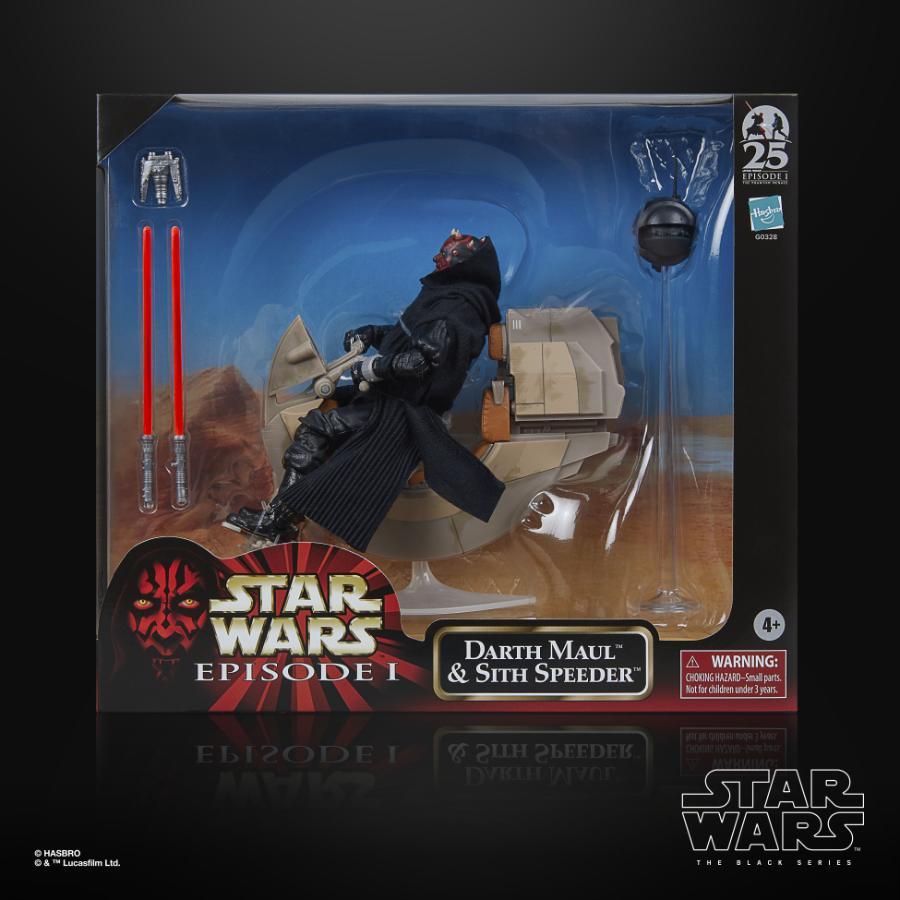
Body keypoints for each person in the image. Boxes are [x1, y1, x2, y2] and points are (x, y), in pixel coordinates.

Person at [224, 229, 505, 551]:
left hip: (406, 413)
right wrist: (373, 334)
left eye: (444, 254)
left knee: (317, 427)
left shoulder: (456, 310)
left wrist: (372, 368)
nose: (435, 258)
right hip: (393, 398)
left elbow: (420, 361)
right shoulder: (449, 298)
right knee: (329, 407)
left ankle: (279, 521)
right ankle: (284, 517)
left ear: (462, 262)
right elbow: (411, 338)